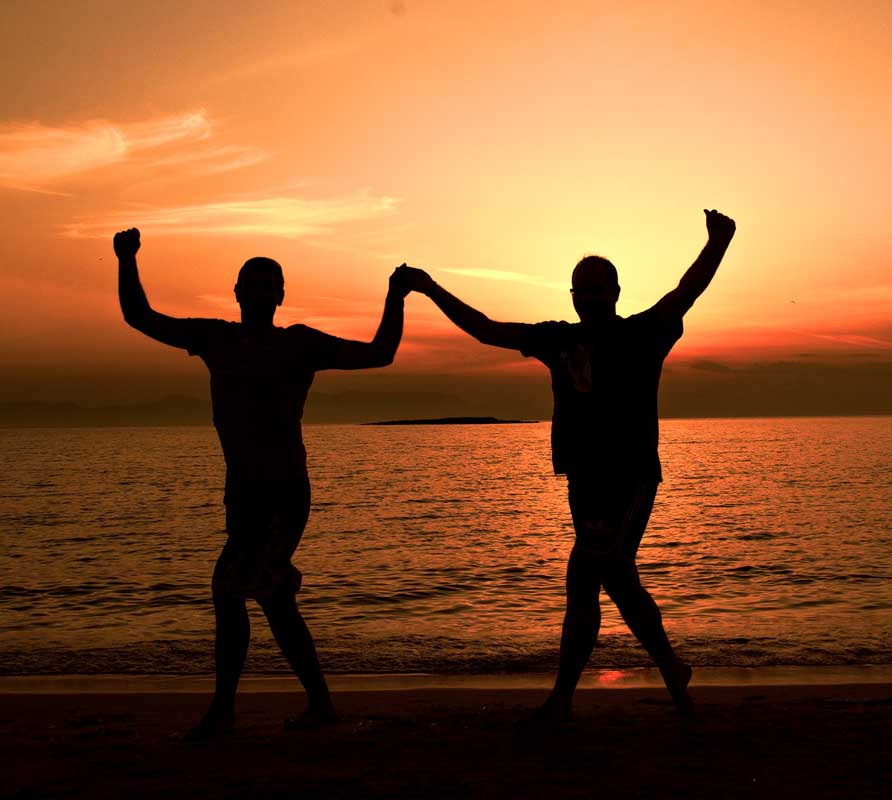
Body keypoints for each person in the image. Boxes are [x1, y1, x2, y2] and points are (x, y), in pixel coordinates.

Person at [398, 209, 736, 722]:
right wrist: (429, 288)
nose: (590, 297)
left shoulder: (643, 334)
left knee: (590, 576)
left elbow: (687, 290)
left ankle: (568, 697)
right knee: (614, 579)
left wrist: (718, 242)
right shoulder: (558, 339)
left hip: (630, 478)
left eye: (598, 288)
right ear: (572, 296)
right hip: (583, 478)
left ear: (616, 292)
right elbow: (486, 330)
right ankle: (667, 671)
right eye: (581, 290)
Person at [114, 227, 410, 738]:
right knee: (268, 597)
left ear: (280, 295)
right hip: (244, 493)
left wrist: (393, 296)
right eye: (248, 285)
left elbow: (380, 352)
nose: (257, 293)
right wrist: (126, 259)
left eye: (266, 285)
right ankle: (310, 705)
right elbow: (141, 318)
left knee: (233, 589)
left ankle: (230, 710)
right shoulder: (215, 338)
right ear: (236, 293)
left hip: (284, 493)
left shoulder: (300, 344)